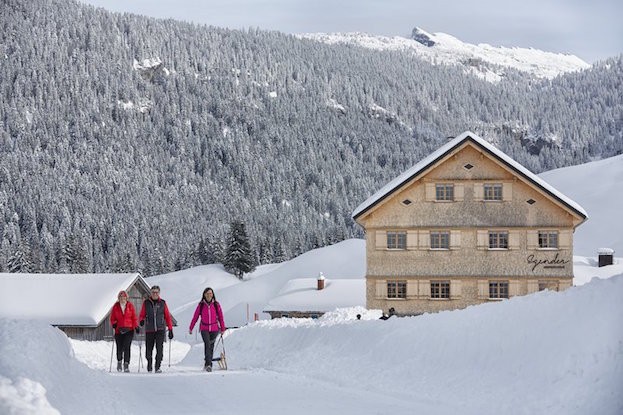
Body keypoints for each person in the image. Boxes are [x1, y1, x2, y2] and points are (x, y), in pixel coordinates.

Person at [189, 287, 226, 372]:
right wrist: (191, 327)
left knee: (211, 346)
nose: (209, 295)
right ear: (204, 295)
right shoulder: (201, 305)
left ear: (213, 294)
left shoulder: (216, 304)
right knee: (207, 344)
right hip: (204, 328)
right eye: (207, 294)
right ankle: (209, 364)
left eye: (210, 293)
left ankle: (207, 364)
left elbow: (221, 317)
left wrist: (223, 328)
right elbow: (195, 317)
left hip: (214, 328)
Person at [139, 285, 173, 373]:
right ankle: (149, 363)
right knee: (148, 350)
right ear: (151, 293)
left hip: (160, 329)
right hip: (149, 329)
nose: (155, 294)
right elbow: (142, 314)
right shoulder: (146, 303)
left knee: (159, 349)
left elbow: (167, 316)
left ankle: (158, 366)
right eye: (153, 292)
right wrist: (141, 320)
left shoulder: (162, 303)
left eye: (156, 292)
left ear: (159, 293)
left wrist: (170, 329)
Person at [109, 290, 139, 372]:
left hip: (129, 329)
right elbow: (112, 318)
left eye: (124, 297)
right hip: (119, 330)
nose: (122, 298)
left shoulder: (130, 306)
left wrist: (136, 326)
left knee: (127, 347)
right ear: (119, 298)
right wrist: (114, 323)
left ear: (126, 298)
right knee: (119, 347)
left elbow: (134, 317)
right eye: (121, 297)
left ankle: (126, 364)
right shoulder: (115, 306)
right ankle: (119, 361)